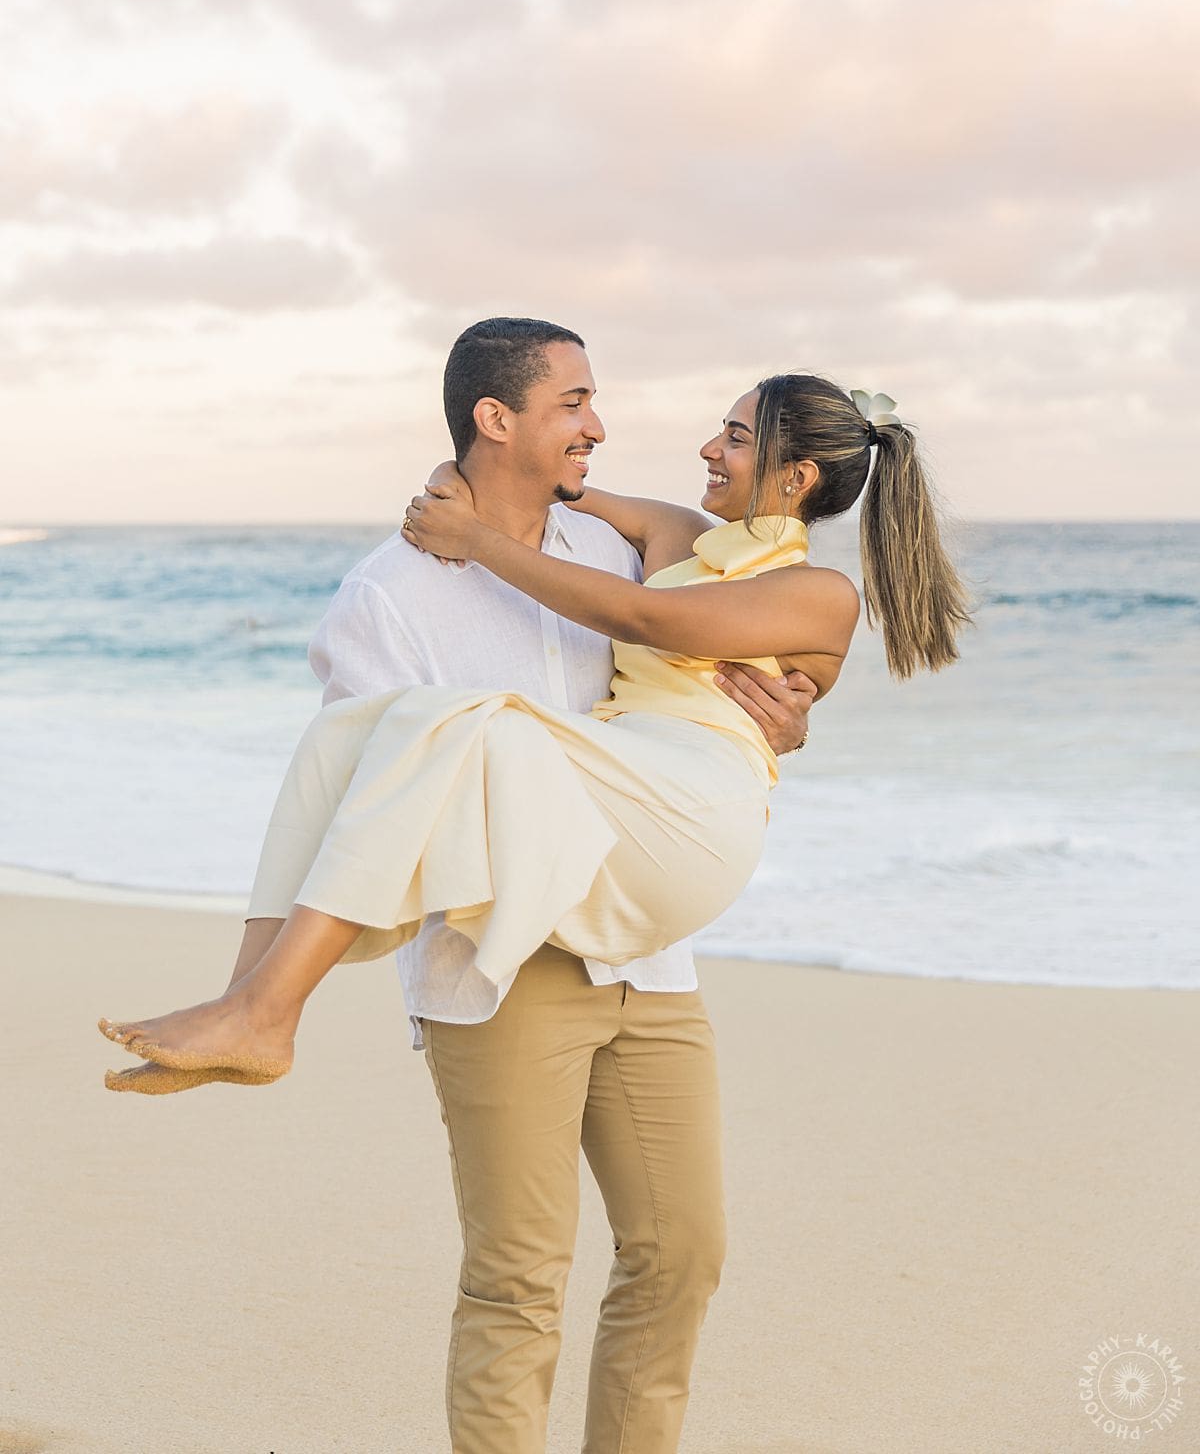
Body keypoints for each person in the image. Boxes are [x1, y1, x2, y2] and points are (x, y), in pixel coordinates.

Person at [100, 317, 971, 1451]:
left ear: (797, 474)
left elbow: (658, 629)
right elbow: (371, 785)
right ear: (494, 420)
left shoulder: (637, 567)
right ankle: (252, 999)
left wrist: (785, 716)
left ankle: (265, 1010)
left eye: (735, 434)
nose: (611, 430)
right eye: (575, 405)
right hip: (501, 963)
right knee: (516, 1278)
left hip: (645, 932)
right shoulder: (395, 593)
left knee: (681, 1254)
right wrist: (459, 514)